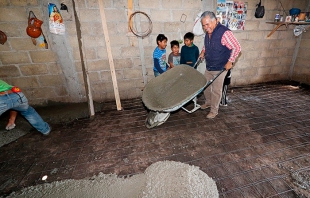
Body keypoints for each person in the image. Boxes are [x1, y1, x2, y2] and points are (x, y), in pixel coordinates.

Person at [199, 11, 241, 119]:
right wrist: (203, 51)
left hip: (220, 67)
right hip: (210, 65)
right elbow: (208, 45)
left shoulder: (224, 33)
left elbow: (237, 47)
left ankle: (214, 110)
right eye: (203, 25)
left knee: (216, 90)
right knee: (205, 86)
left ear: (215, 21)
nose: (205, 27)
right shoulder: (209, 32)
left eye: (207, 24)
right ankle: (208, 102)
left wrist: (230, 61)